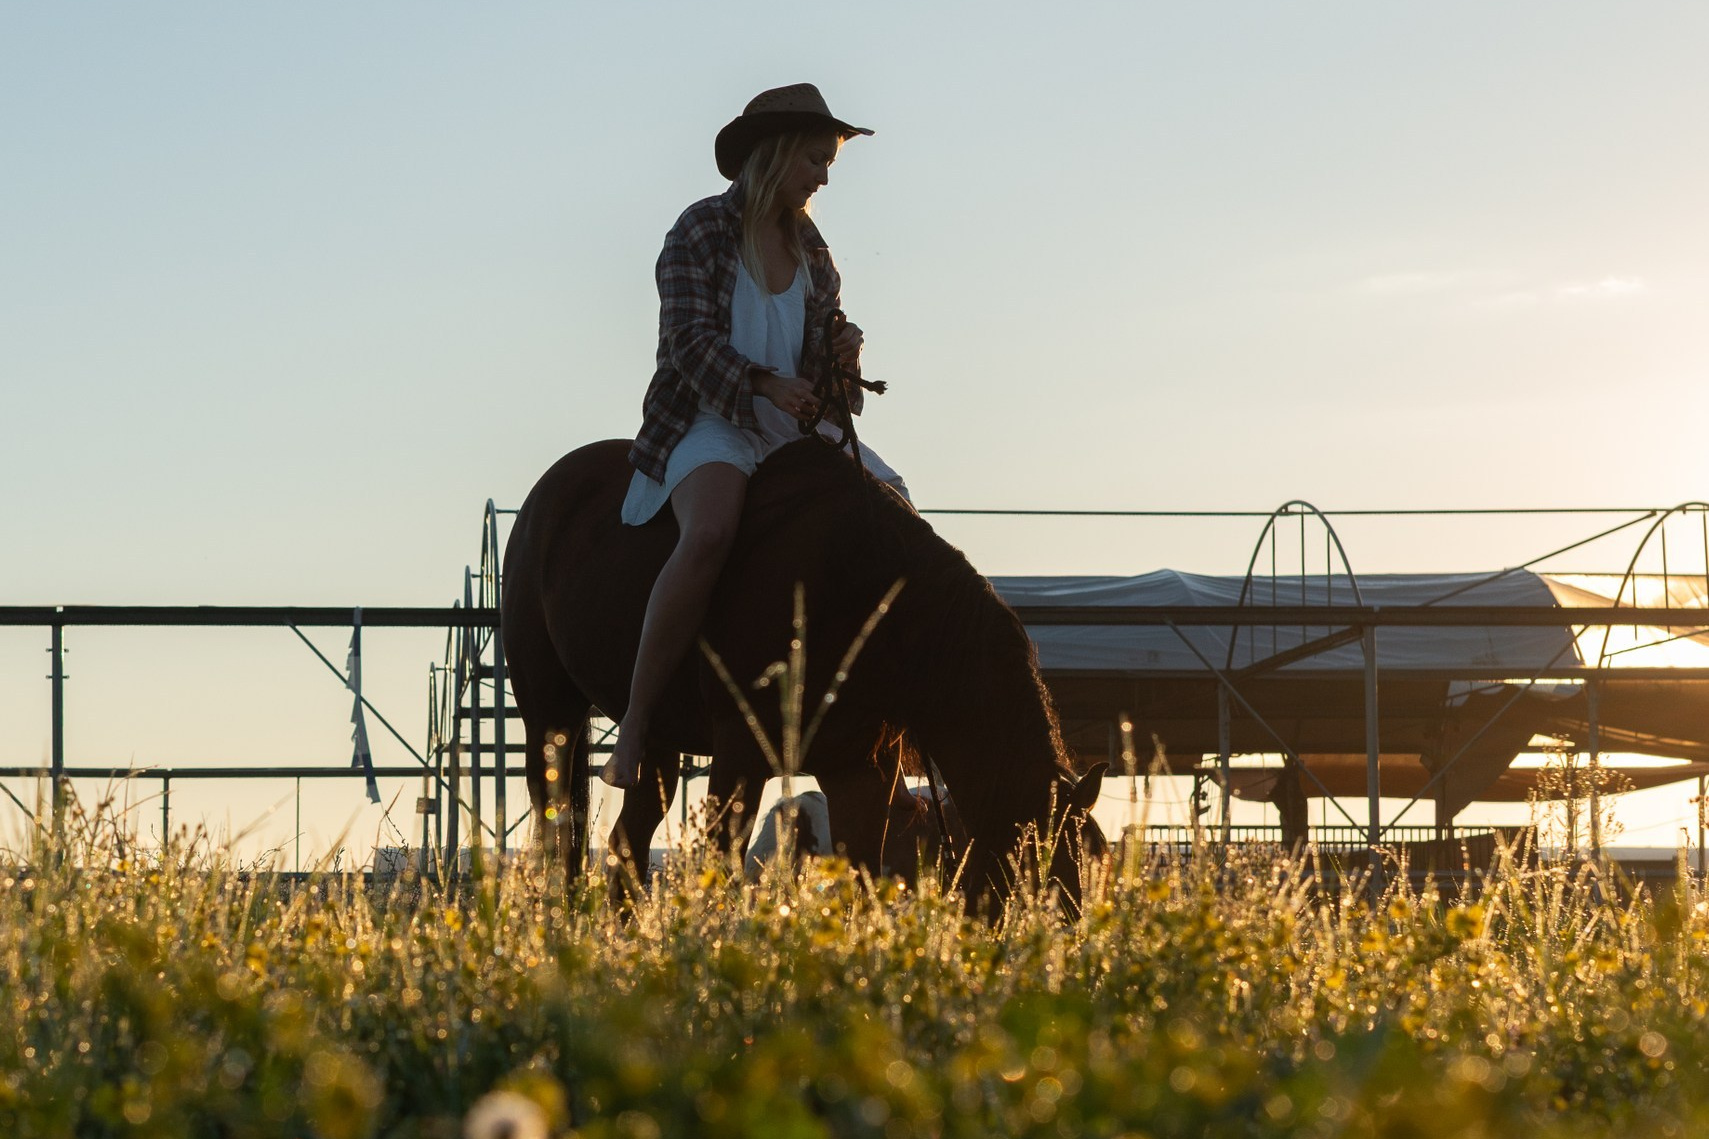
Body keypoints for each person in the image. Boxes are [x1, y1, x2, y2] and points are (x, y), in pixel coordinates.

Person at [605, 83, 906, 789]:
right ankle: (637, 720)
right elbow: (687, 342)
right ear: (775, 155)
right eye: (814, 159)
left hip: (792, 421)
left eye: (828, 163)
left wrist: (841, 355)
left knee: (894, 504)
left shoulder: (812, 249)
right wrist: (764, 384)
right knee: (710, 532)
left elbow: (818, 363)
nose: (823, 178)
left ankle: (884, 704)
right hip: (707, 416)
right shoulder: (700, 230)